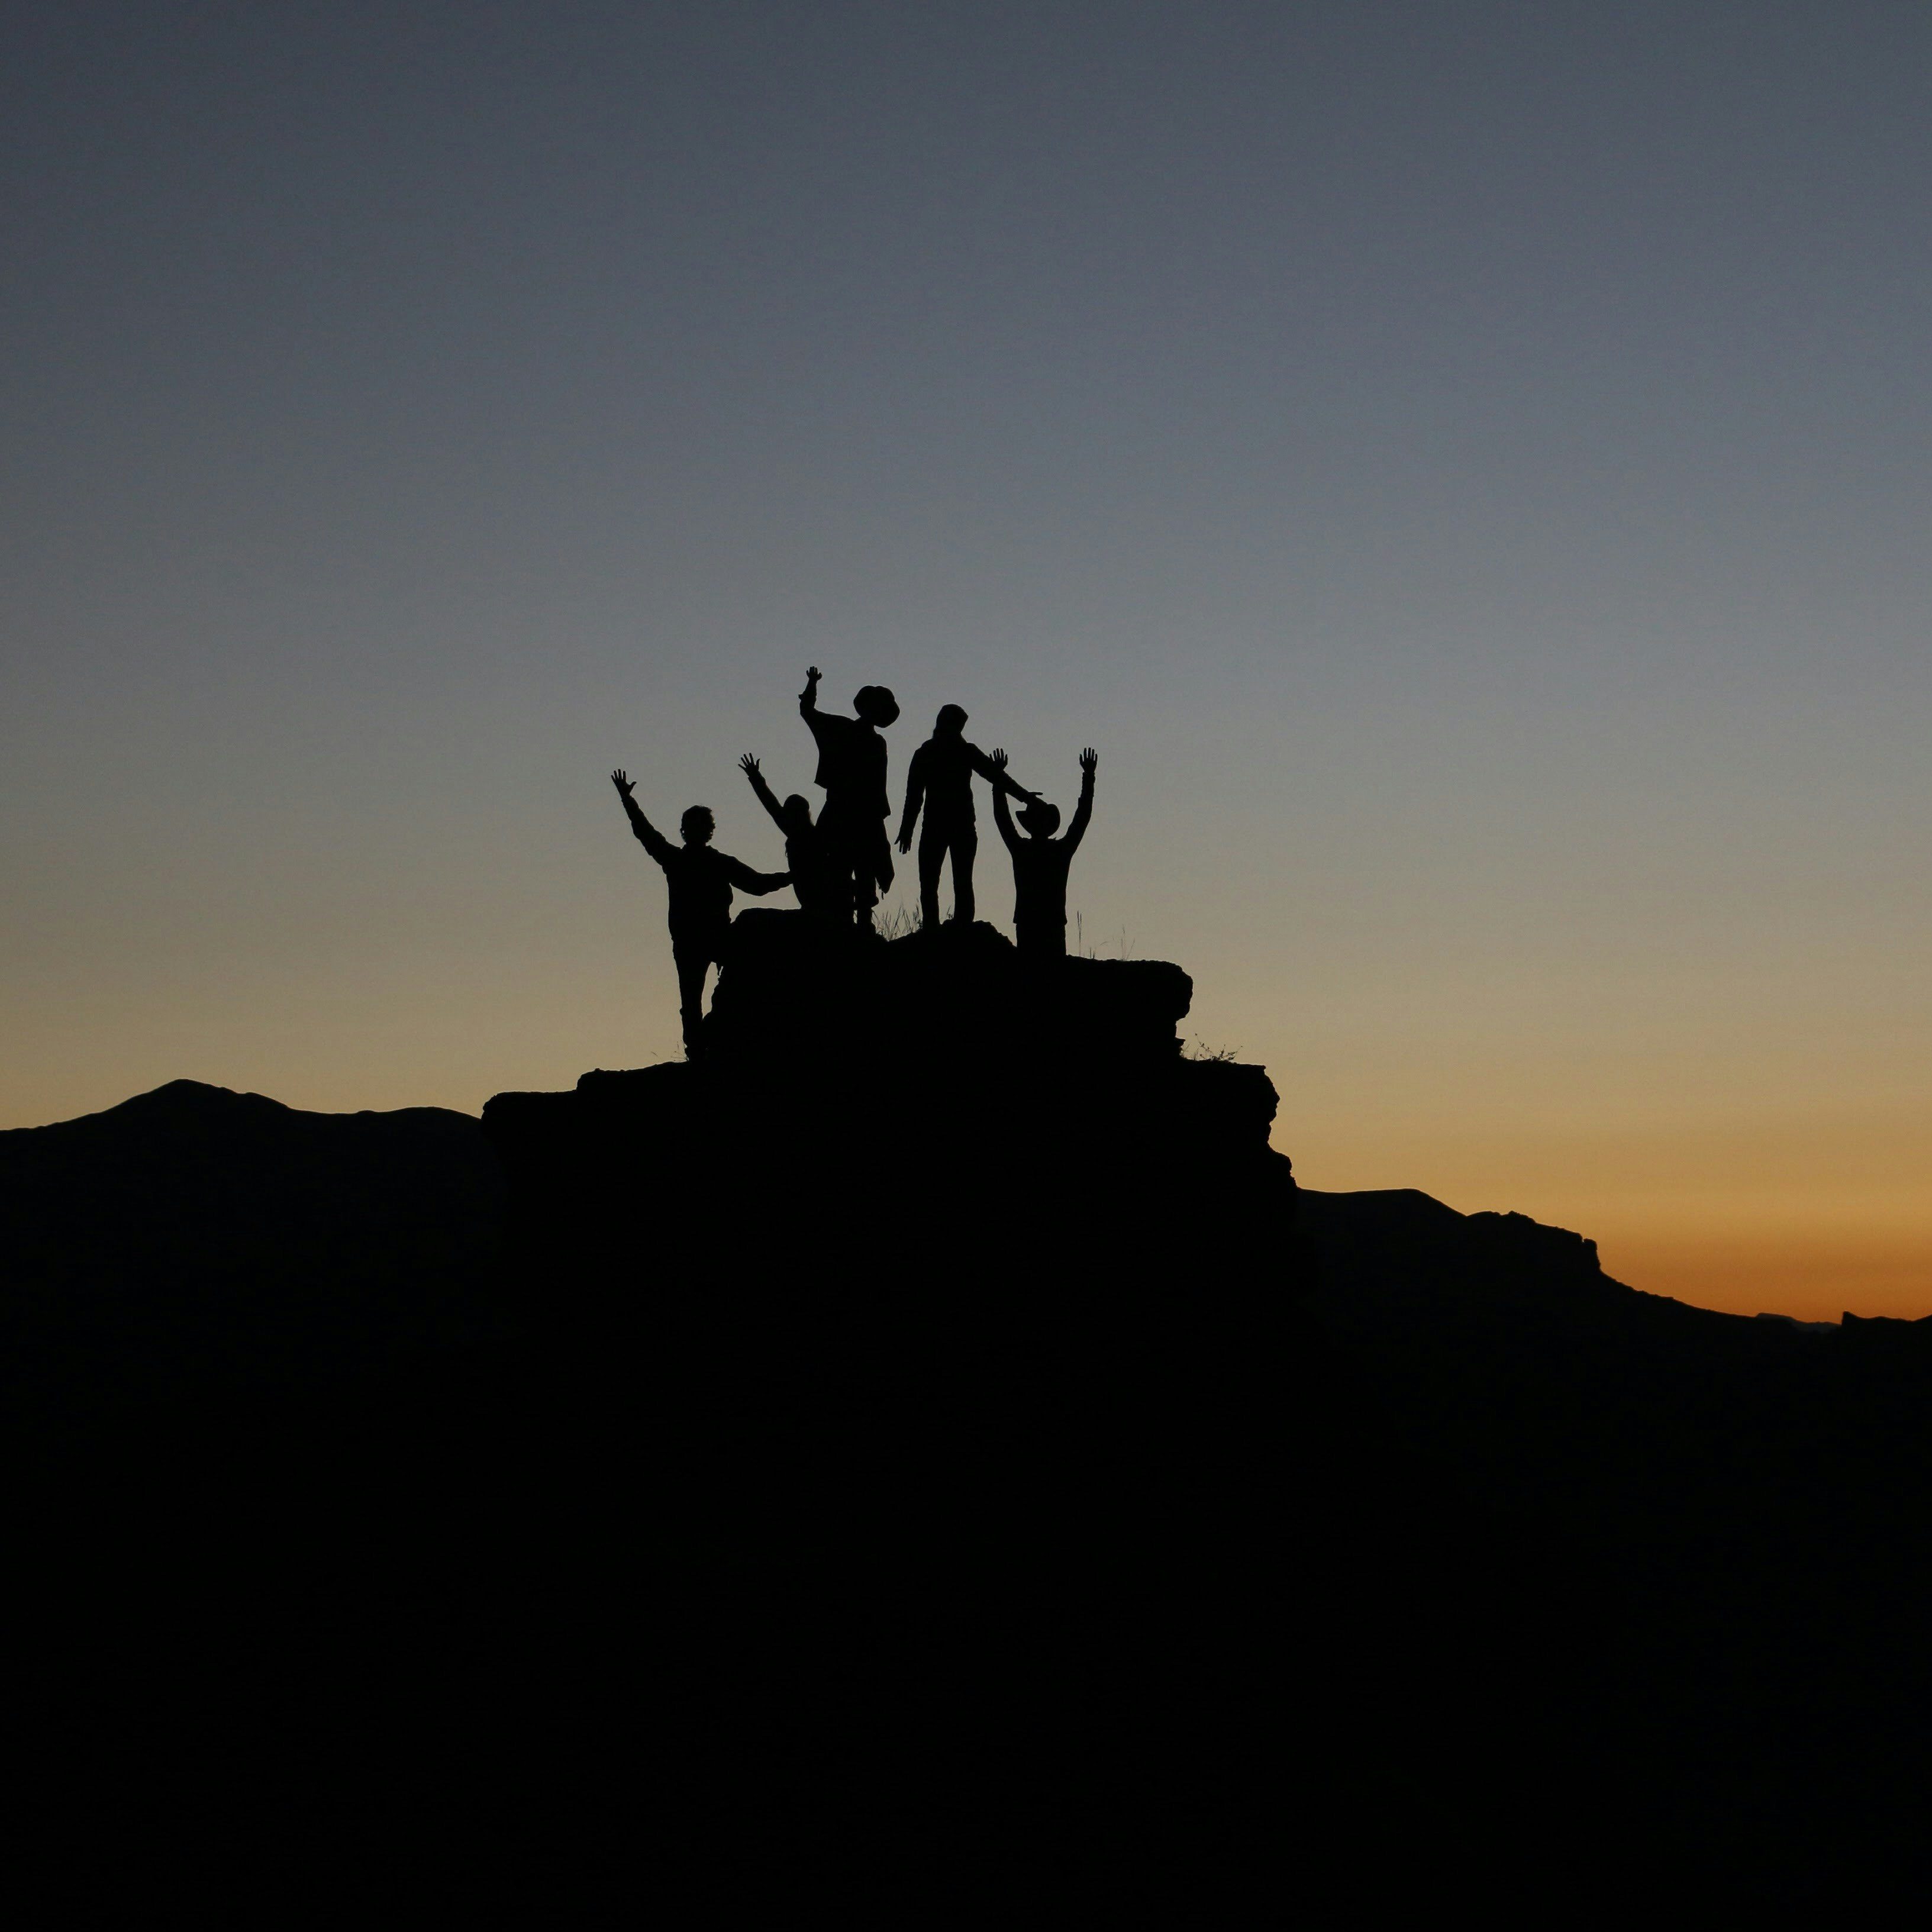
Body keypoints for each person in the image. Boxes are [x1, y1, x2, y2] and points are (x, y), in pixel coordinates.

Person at [609, 768, 790, 1054]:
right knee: (693, 998)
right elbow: (646, 833)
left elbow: (757, 884)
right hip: (694, 941)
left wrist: (790, 876)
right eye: (694, 826)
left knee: (699, 996)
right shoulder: (684, 860)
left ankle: (710, 1043)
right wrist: (628, 801)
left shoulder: (700, 861)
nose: (697, 831)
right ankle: (699, 1049)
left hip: (709, 938)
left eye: (700, 826)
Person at [895, 705, 1037, 931]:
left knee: (944, 880)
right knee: (946, 880)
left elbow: (996, 776)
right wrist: (906, 828)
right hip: (946, 825)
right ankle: (942, 925)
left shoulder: (936, 752)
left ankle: (949, 925)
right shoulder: (942, 752)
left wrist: (1026, 797)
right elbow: (914, 795)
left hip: (945, 825)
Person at [798, 666, 899, 931]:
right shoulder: (844, 729)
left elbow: (878, 785)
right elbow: (808, 712)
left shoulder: (877, 742)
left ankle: (858, 925)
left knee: (859, 871)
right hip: (847, 811)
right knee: (841, 869)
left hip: (861, 813)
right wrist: (812, 684)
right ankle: (845, 923)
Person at [991, 747, 1097, 960]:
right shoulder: (1060, 851)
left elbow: (1002, 818)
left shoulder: (1022, 850)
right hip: (1052, 921)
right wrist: (1088, 777)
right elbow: (1082, 818)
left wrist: (998, 781)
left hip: (1029, 920)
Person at [737, 753, 841, 922]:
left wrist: (756, 778)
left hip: (821, 896)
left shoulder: (807, 835)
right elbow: (771, 805)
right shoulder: (806, 833)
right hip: (814, 898)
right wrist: (756, 778)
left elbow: (772, 805)